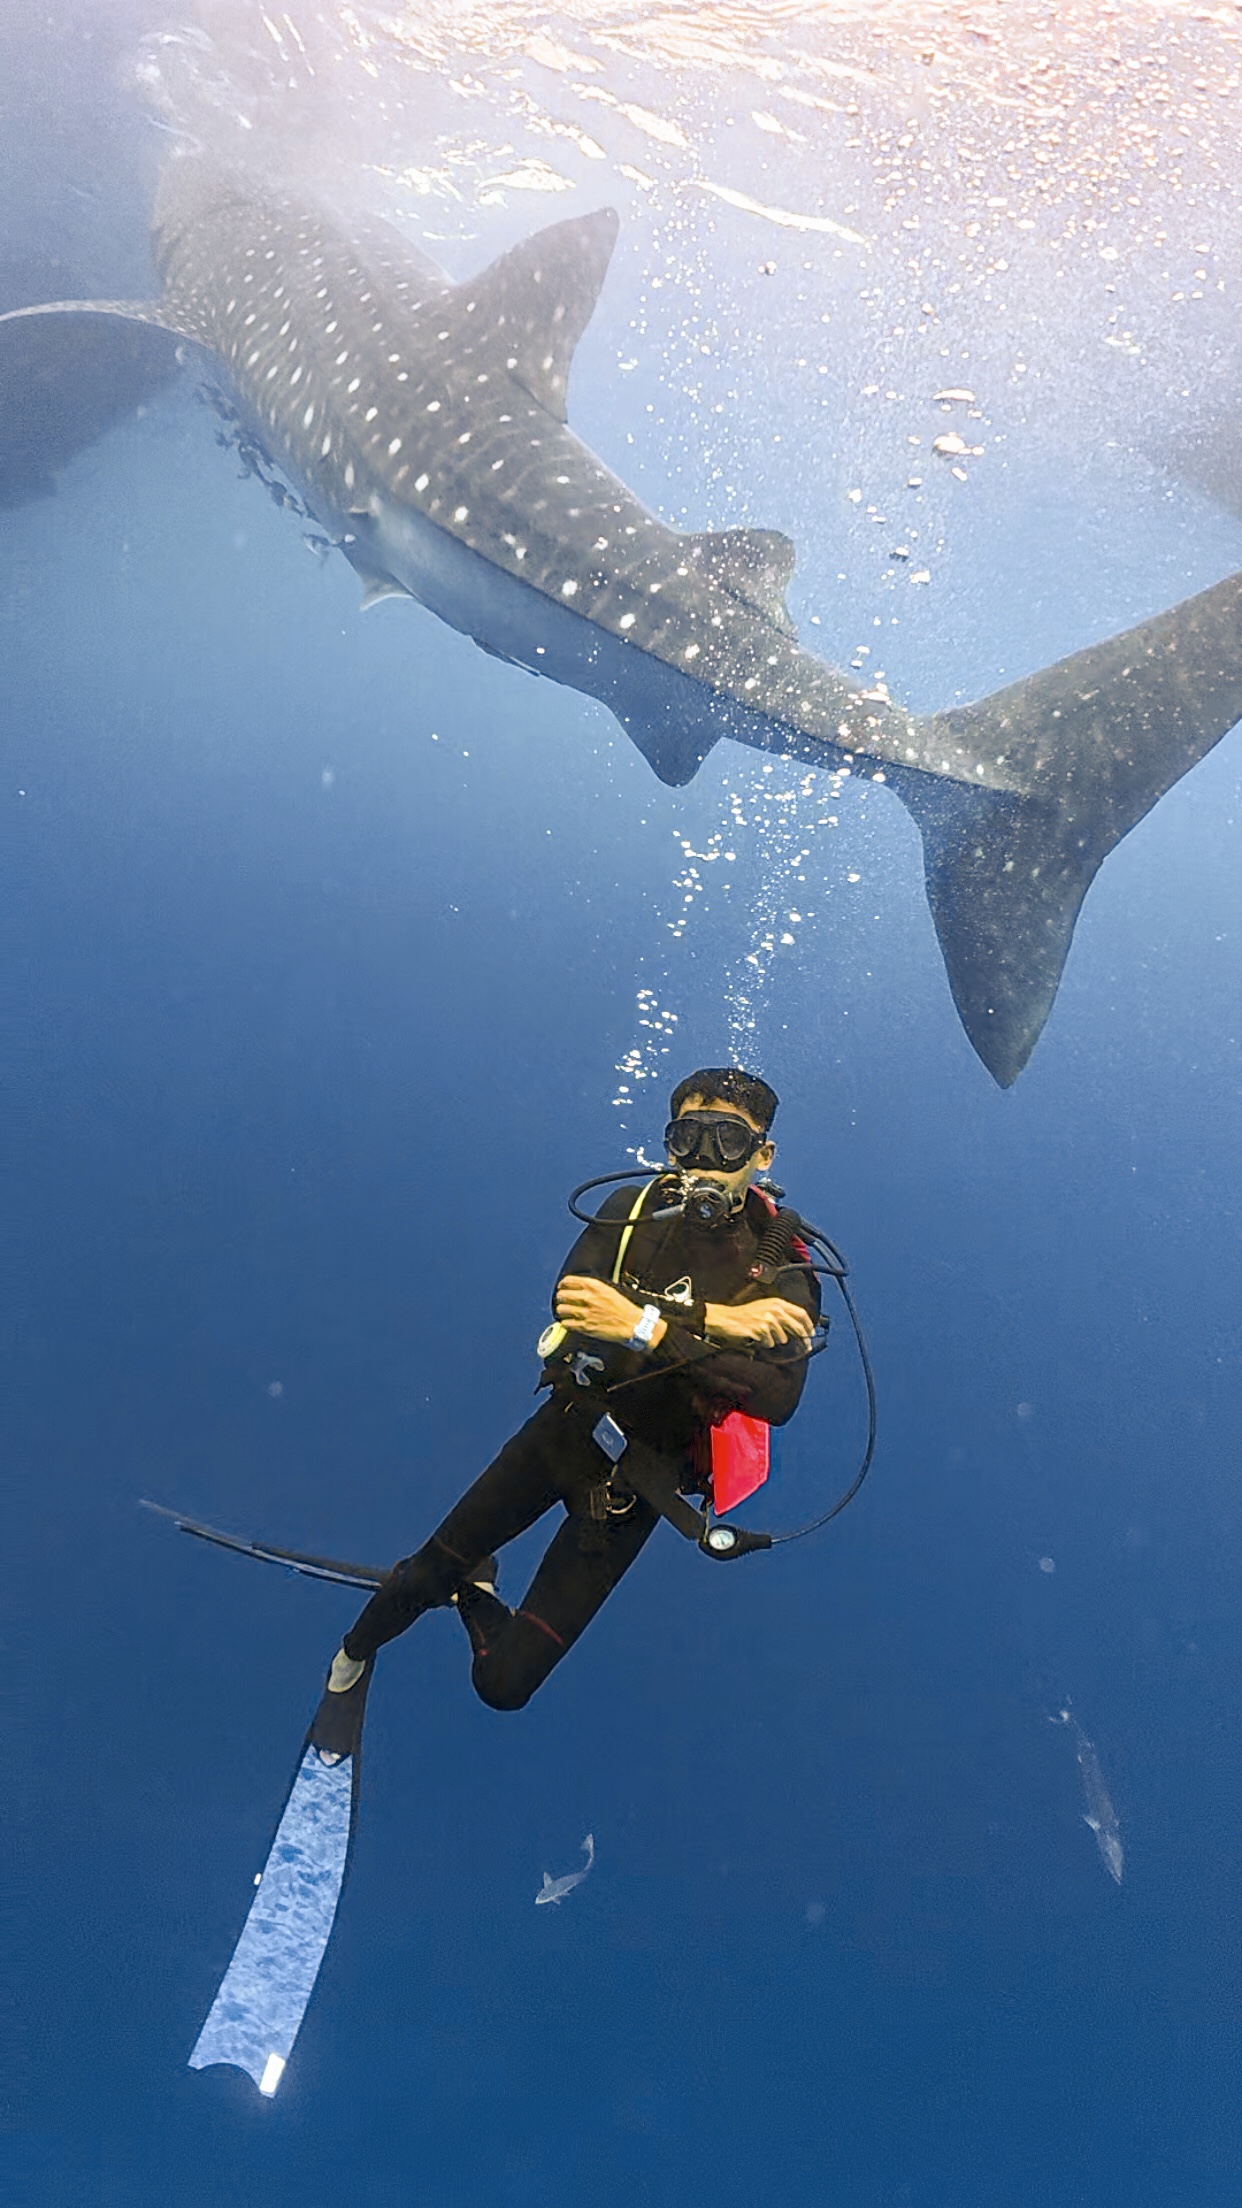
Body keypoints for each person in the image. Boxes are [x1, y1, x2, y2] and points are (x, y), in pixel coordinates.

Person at [312, 1068, 818, 1753]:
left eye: (727, 1140)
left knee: (505, 1688)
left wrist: (645, 1323)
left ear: (763, 1154)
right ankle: (351, 1657)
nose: (704, 1158)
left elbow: (778, 1398)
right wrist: (723, 1326)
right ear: (669, 1145)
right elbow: (574, 1302)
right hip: (564, 1428)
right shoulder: (630, 1209)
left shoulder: (787, 1267)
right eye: (687, 1137)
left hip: (639, 1485)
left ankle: (478, 1595)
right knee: (424, 1573)